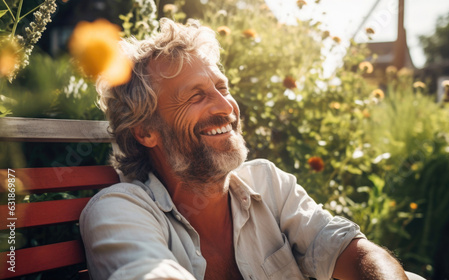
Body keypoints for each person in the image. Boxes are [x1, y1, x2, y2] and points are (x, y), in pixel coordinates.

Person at [80, 18, 420, 280]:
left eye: (222, 87)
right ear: (145, 131)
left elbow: (350, 251)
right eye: (196, 95)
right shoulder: (119, 212)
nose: (225, 106)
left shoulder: (269, 182)